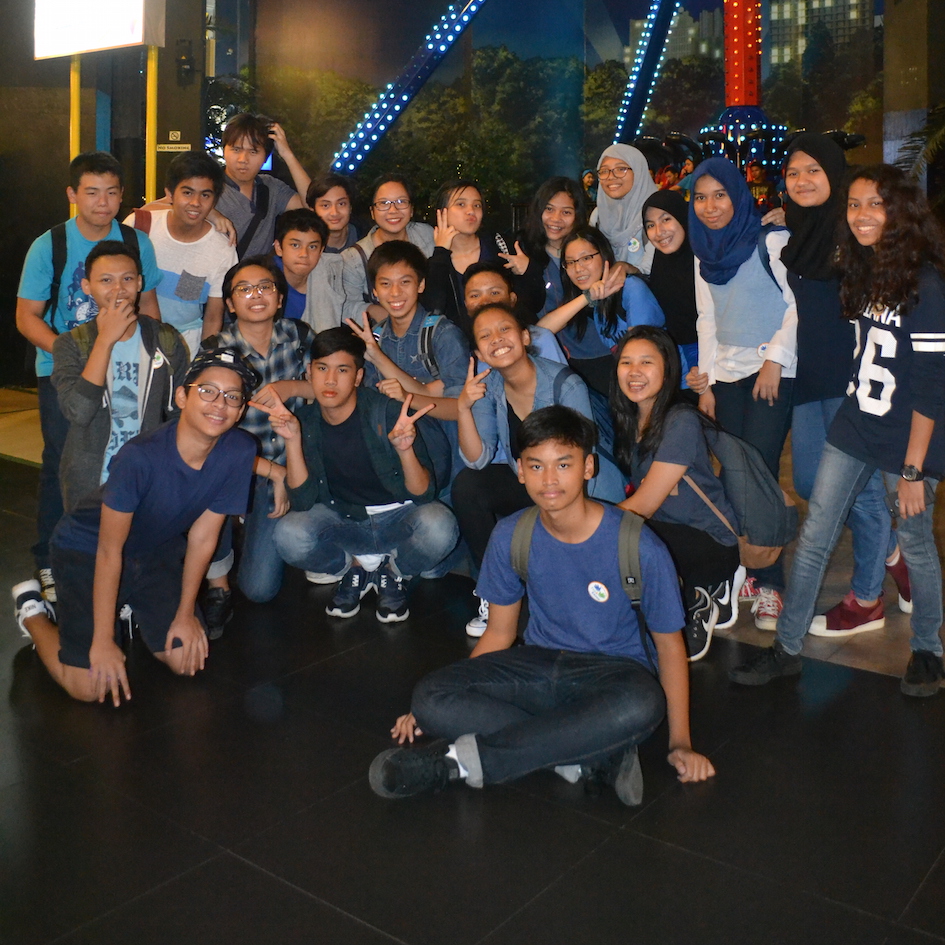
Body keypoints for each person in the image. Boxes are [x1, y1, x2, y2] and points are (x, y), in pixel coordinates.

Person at [368, 405, 715, 803]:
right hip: (538, 665)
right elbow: (500, 633)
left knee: (642, 703)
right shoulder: (512, 534)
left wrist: (680, 743)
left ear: (588, 467)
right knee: (431, 696)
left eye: (563, 465)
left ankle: (453, 763)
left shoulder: (638, 544)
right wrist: (433, 705)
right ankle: (587, 753)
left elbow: (670, 647)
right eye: (536, 466)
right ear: (520, 471)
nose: (549, 480)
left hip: (612, 676)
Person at [729, 165, 945, 698]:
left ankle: (927, 650)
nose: (862, 214)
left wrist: (913, 470)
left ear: (901, 212)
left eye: (876, 203)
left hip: (908, 438)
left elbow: (931, 385)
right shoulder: (865, 268)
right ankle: (787, 648)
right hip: (857, 422)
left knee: (916, 543)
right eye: (854, 204)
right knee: (816, 534)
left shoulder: (927, 282)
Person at [11, 347, 258, 706]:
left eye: (232, 396)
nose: (219, 404)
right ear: (182, 396)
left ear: (241, 410)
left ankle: (127, 602)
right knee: (89, 688)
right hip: (87, 548)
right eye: (207, 391)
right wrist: (102, 641)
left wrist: (185, 613)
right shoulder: (140, 457)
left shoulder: (239, 450)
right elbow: (108, 550)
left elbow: (204, 537)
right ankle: (32, 611)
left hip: (155, 548)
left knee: (185, 659)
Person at [16, 151, 162, 605]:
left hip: (129, 368)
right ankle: (52, 558)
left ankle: (122, 553)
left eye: (112, 192)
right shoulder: (50, 245)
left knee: (128, 458)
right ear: (73, 194)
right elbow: (26, 317)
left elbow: (149, 307)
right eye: (92, 192)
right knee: (64, 462)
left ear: (122, 195)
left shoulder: (136, 242)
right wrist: (74, 357)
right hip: (63, 372)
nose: (103, 202)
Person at [780, 133, 908, 637]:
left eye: (813, 170)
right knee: (810, 483)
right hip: (811, 371)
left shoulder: (855, 232)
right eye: (793, 172)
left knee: (863, 493)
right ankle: (894, 556)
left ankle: (868, 599)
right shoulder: (798, 230)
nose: (802, 180)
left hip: (852, 376)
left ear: (834, 173)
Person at [261, 327, 458, 623]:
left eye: (342, 370)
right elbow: (301, 501)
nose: (330, 380)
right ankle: (354, 567)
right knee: (289, 534)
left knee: (440, 526)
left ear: (357, 377)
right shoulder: (305, 422)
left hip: (398, 516)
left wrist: (405, 450)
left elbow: (423, 494)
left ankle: (393, 571)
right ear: (309, 373)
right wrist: (292, 440)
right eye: (322, 369)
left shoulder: (386, 412)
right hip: (347, 519)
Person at [453, 302, 626, 636]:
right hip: (534, 482)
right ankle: (496, 592)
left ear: (524, 336)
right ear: (479, 353)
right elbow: (477, 459)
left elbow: (579, 463)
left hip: (583, 488)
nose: (497, 339)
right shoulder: (488, 387)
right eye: (485, 336)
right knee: (468, 486)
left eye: (505, 329)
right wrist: (463, 408)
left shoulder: (565, 384)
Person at [685, 156, 797, 630]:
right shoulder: (702, 252)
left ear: (738, 195)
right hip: (727, 373)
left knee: (761, 470)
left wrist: (775, 359)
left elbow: (796, 306)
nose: (710, 206)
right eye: (700, 198)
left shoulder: (771, 240)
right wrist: (707, 382)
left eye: (720, 195)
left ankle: (770, 581)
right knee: (734, 471)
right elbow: (706, 318)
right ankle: (746, 569)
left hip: (772, 369)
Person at [611, 326, 743, 661]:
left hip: (710, 540)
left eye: (646, 362)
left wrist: (582, 525)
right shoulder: (630, 420)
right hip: (668, 531)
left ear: (668, 370)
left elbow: (644, 504)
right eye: (626, 362)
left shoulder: (681, 420)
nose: (634, 372)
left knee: (621, 538)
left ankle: (702, 595)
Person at [201, 255, 314, 610]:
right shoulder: (216, 351)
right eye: (245, 289)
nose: (257, 295)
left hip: (301, 462)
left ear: (279, 298)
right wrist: (272, 472)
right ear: (230, 304)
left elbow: (331, 389)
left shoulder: (299, 335)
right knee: (259, 588)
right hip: (248, 470)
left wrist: (290, 388)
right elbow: (207, 436)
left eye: (265, 287)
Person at [51, 241, 191, 514]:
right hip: (89, 480)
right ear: (87, 286)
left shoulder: (165, 339)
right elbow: (78, 411)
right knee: (91, 541)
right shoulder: (71, 344)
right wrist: (104, 341)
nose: (118, 289)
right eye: (106, 280)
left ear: (140, 283)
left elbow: (179, 414)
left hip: (149, 476)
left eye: (127, 279)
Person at [126, 150, 237, 356]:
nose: (196, 203)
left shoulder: (222, 250)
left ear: (214, 200)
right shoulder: (139, 227)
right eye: (187, 193)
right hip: (131, 341)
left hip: (186, 348)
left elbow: (213, 316)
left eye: (205, 195)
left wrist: (204, 362)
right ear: (169, 193)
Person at [538, 225, 664, 400]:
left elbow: (643, 354)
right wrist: (587, 298)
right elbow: (540, 332)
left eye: (586, 258)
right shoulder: (595, 301)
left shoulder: (631, 288)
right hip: (631, 384)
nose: (578, 268)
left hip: (658, 385)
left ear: (604, 255)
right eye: (570, 262)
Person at [423, 179, 536, 341]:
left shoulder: (501, 247)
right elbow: (433, 309)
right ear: (442, 213)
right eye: (461, 204)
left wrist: (528, 271)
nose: (471, 211)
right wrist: (441, 252)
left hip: (507, 342)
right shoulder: (434, 262)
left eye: (477, 205)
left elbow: (533, 304)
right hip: (460, 349)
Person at [341, 174, 435, 324]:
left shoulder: (426, 235)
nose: (393, 210)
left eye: (401, 201)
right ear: (372, 212)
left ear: (411, 209)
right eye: (383, 203)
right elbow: (346, 306)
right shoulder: (353, 258)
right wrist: (383, 314)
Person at [215, 113, 311, 259]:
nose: (243, 159)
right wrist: (212, 214)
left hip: (258, 273)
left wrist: (287, 154)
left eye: (253, 151)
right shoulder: (208, 186)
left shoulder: (271, 187)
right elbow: (177, 210)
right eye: (236, 149)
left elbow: (312, 205)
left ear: (265, 157)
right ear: (224, 150)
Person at [642, 190, 700, 400]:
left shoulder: (706, 259)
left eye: (666, 219)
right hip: (674, 357)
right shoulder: (659, 263)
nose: (659, 232)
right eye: (650, 225)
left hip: (710, 356)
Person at [507, 177, 588, 319]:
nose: (556, 219)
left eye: (566, 212)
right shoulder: (521, 250)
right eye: (549, 209)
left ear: (577, 216)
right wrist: (529, 273)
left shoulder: (589, 252)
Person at [590, 144, 659, 271]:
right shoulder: (598, 215)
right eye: (604, 171)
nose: (611, 176)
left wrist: (627, 270)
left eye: (621, 169)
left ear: (638, 171)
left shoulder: (655, 212)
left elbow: (655, 267)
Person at [272, 208, 328, 321]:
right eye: (295, 245)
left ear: (321, 251)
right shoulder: (263, 279)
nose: (304, 254)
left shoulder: (331, 282)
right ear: (279, 248)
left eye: (312, 247)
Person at [306, 173, 359, 253]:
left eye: (341, 204)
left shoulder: (368, 237)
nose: (334, 213)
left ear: (350, 207)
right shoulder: (305, 249)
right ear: (313, 211)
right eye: (325, 205)